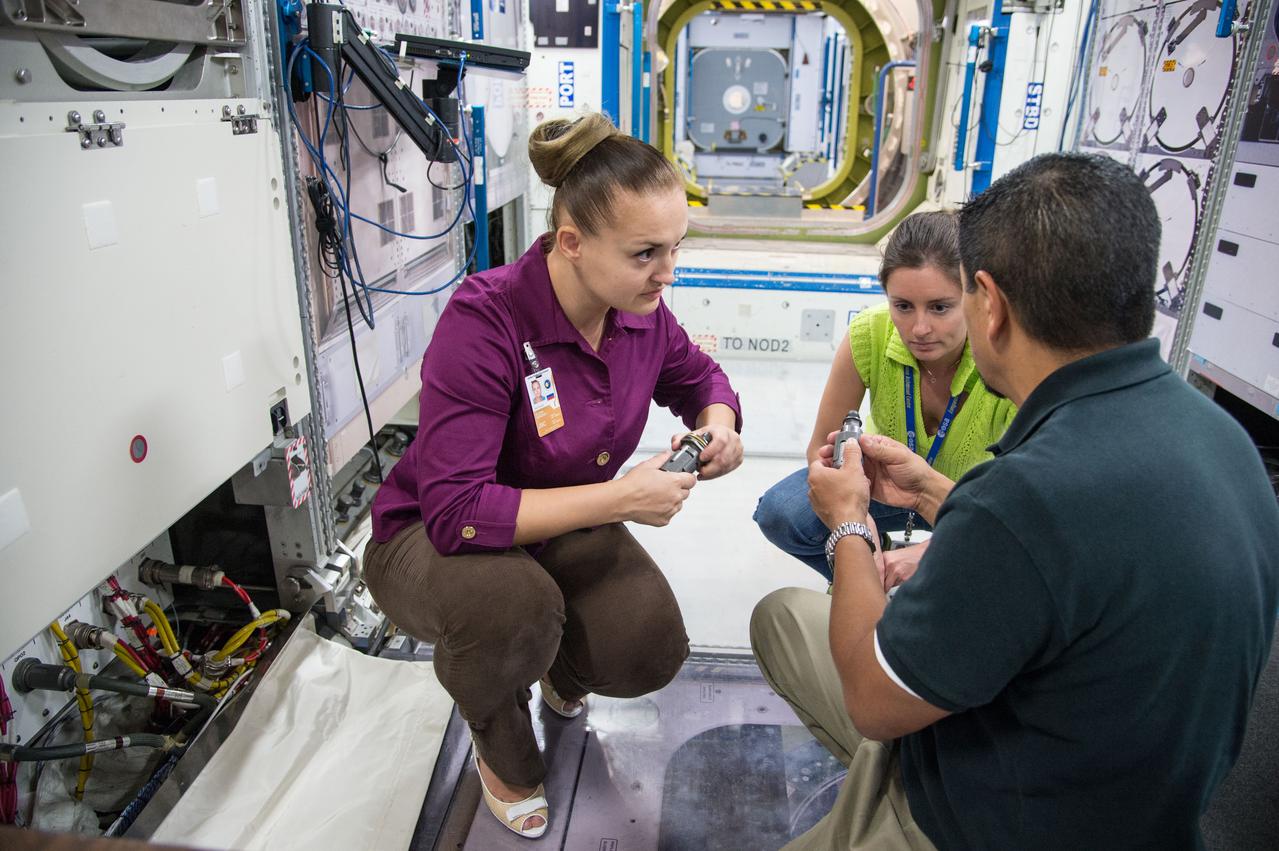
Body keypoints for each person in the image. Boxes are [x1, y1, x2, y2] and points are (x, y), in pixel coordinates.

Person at [750, 153, 1279, 850]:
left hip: (982, 820)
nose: (925, 323)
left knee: (855, 674)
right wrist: (937, 491)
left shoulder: (1025, 497)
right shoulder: (1225, 441)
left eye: (952, 300)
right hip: (1129, 800)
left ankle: (885, 806)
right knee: (785, 617)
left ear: (989, 304)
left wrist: (848, 522)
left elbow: (873, 705)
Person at [363, 113, 743, 839]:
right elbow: (457, 511)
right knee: (513, 609)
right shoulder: (487, 319)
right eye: (645, 254)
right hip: (430, 539)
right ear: (571, 243)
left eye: (674, 249)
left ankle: (556, 671)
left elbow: (702, 379)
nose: (667, 273)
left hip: (554, 523)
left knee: (648, 647)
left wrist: (718, 425)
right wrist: (621, 497)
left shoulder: (640, 314)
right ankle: (499, 739)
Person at [753, 211, 1016, 586]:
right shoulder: (870, 333)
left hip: (977, 501)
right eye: (903, 306)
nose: (919, 328)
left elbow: (1026, 508)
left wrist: (929, 557)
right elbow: (819, 450)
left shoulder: (1006, 352)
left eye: (940, 307)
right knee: (781, 512)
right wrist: (858, 528)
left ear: (975, 298)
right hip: (886, 487)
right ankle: (874, 588)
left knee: (1010, 558)